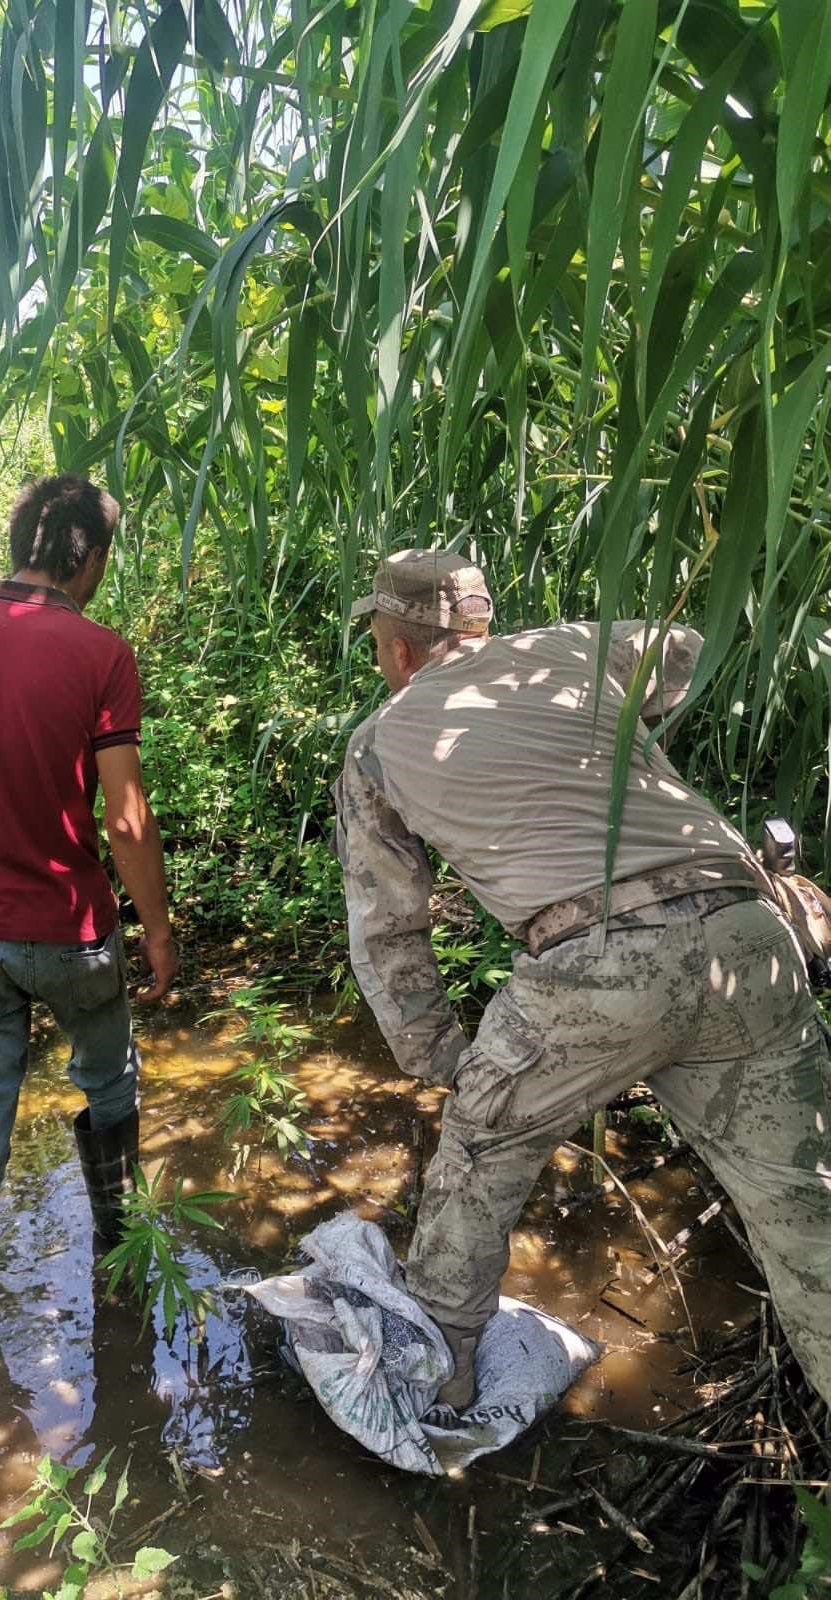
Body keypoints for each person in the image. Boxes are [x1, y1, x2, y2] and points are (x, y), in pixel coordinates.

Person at [335, 548, 831, 1411]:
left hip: (595, 959)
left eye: (378, 645)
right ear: (482, 624)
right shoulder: (575, 649)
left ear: (400, 648)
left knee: (479, 1160)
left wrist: (444, 1057)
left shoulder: (379, 744)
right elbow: (700, 649)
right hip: (750, 936)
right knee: (810, 1223)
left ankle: (435, 1388)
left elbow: (388, 930)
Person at [0, 473, 177, 1353]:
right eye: (102, 562)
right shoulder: (98, 653)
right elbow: (124, 818)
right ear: (83, 555)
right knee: (109, 1082)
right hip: (71, 928)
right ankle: (121, 1277)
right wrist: (157, 929)